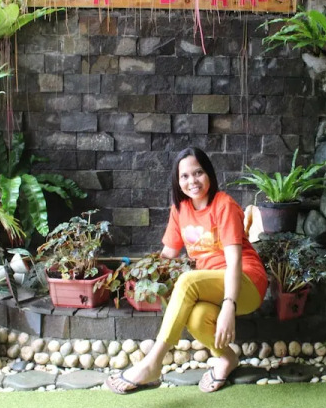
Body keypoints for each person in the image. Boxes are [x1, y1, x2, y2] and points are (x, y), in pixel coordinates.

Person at [105, 147, 268, 394]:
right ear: (177, 181)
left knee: (187, 281)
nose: (192, 181)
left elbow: (234, 261)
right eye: (185, 176)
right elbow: (167, 255)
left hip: (246, 283)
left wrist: (228, 305)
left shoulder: (224, 205)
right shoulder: (180, 210)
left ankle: (152, 363)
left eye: (198, 173)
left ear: (209, 173)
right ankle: (227, 358)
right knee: (196, 317)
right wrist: (140, 279)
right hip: (212, 286)